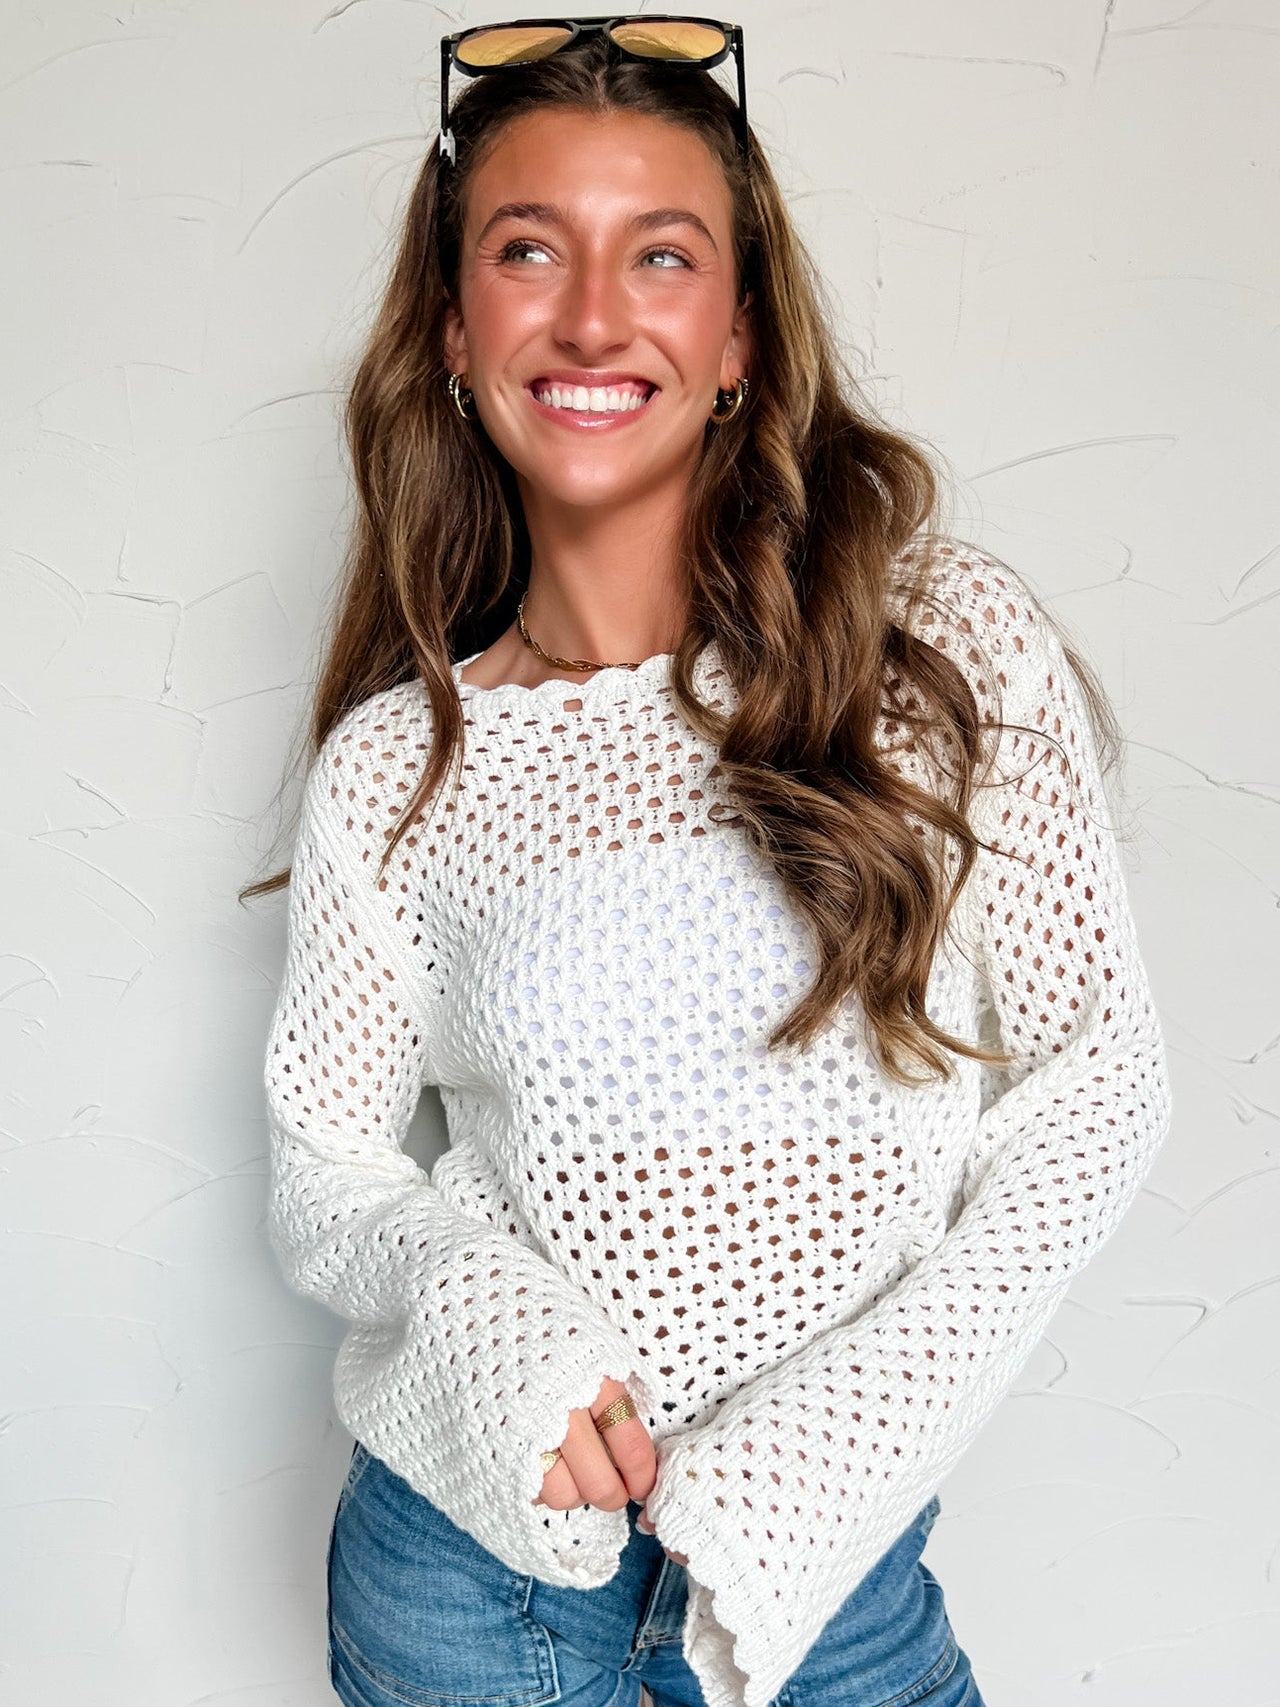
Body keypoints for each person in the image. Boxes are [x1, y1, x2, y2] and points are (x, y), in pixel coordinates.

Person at [246, 16, 1173, 1707]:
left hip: (836, 1594)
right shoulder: (395, 768)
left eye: (659, 255)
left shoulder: (940, 651)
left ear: (737, 332)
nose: (592, 315)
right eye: (528, 252)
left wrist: (833, 1448)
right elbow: (325, 1168)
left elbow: (1095, 1083)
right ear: (455, 334)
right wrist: (483, 1323)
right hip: (487, 1598)